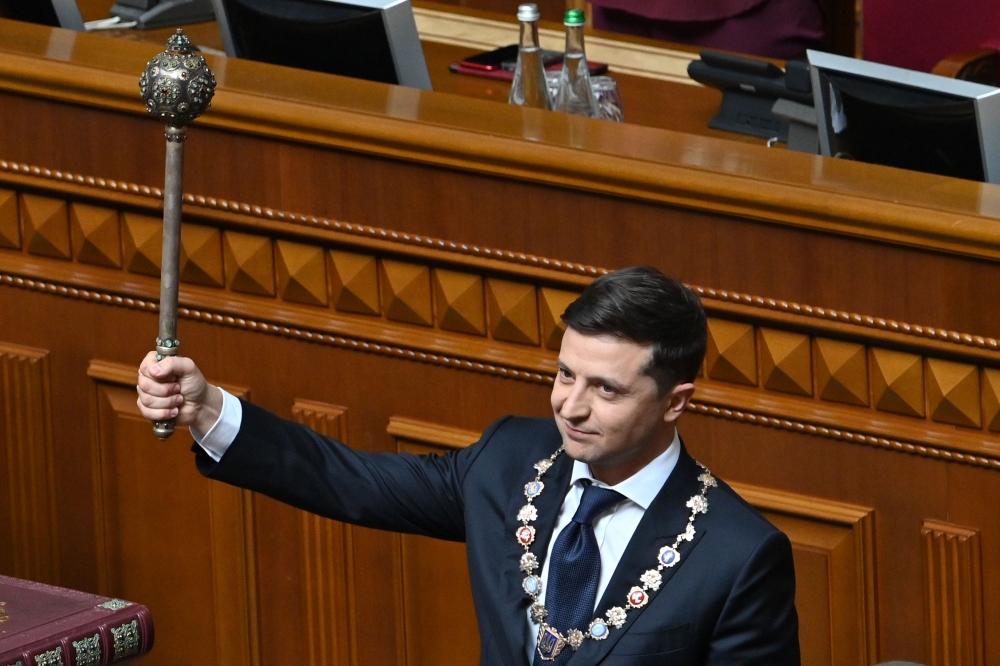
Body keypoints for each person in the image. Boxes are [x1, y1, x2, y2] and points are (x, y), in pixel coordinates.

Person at [136, 266, 800, 665]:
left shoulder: (738, 555)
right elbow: (353, 481)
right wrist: (208, 408)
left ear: (675, 402)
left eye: (607, 389)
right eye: (565, 374)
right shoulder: (512, 459)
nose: (571, 406)